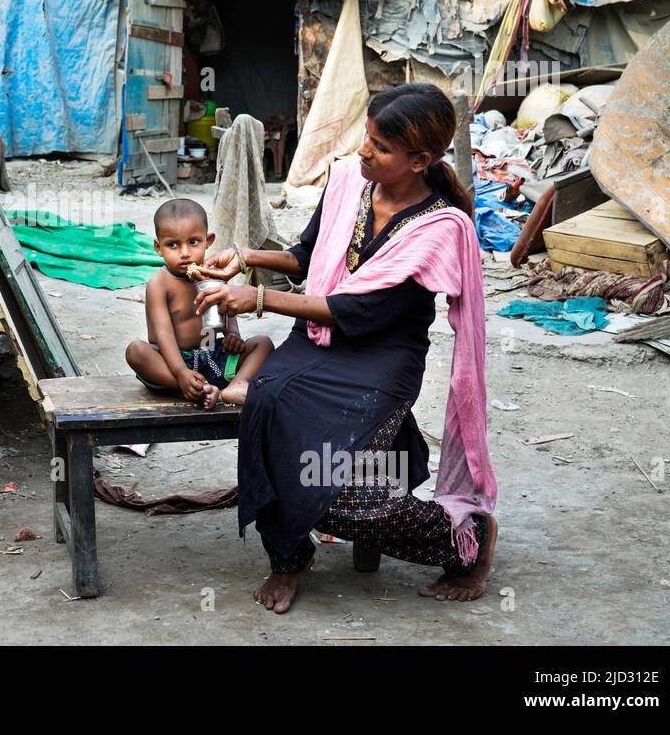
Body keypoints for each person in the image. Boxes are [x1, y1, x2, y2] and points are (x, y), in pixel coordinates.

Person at [194, 83, 498, 614]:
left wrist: (259, 297)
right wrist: (244, 257)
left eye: (380, 147)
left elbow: (356, 312)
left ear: (421, 160)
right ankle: (289, 556)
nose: (364, 150)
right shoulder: (347, 185)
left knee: (338, 497)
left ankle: (465, 540)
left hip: (380, 361)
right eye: (368, 135)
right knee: (265, 404)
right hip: (316, 341)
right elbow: (310, 256)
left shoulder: (440, 228)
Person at [126, 198, 273, 409]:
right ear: (159, 248)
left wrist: (233, 335)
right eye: (173, 245)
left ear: (208, 240)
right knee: (136, 351)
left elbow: (228, 310)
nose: (185, 253)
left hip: (213, 352)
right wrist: (180, 372)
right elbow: (164, 334)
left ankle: (234, 386)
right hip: (172, 360)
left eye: (193, 242)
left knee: (263, 343)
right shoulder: (160, 283)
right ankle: (191, 386)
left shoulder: (214, 274)